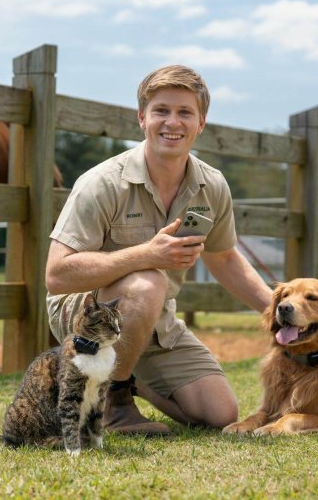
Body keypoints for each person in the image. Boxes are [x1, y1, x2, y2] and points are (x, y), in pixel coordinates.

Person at [45, 65, 272, 436]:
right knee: (149, 282)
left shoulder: (211, 186)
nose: (173, 122)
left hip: (156, 319)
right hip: (85, 313)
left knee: (220, 413)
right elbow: (57, 276)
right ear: (142, 118)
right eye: (161, 111)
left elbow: (225, 258)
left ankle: (132, 379)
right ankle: (111, 404)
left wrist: (277, 313)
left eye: (185, 112)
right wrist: (146, 256)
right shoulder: (101, 183)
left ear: (201, 123)